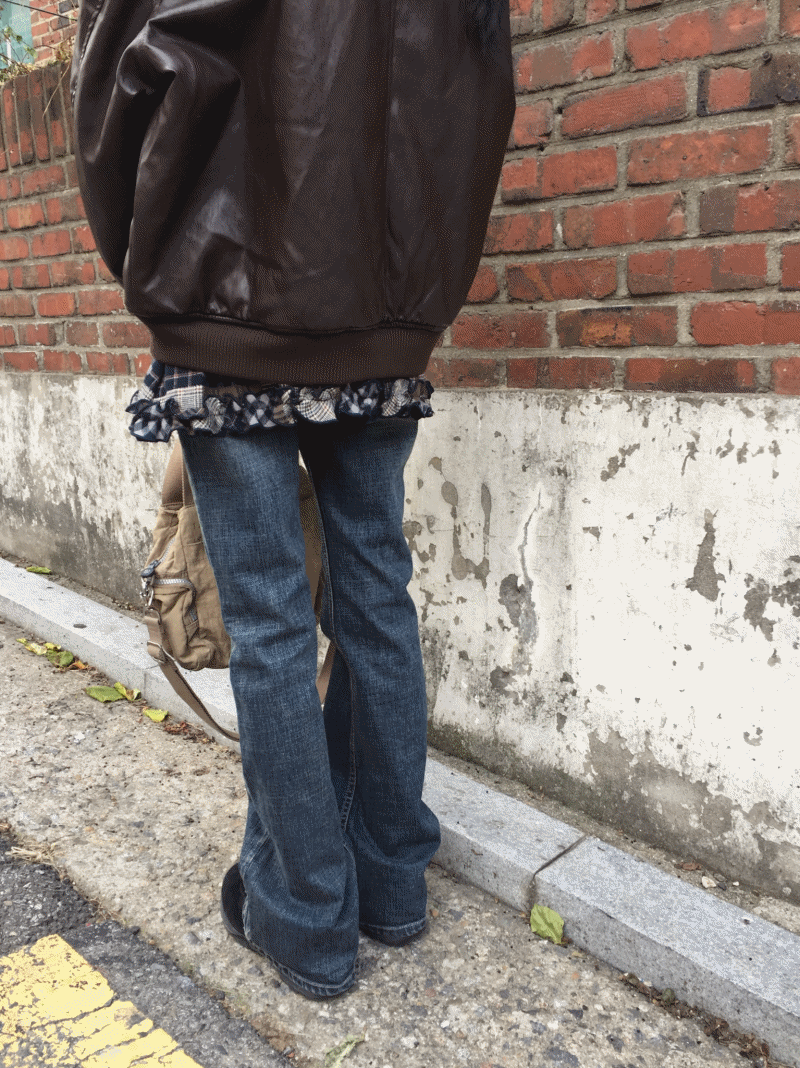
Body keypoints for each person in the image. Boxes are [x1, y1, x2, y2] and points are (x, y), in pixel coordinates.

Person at [71, 0, 516, 1000]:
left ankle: (307, 919)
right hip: (387, 301)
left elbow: (112, 85)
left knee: (270, 623)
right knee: (376, 596)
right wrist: (422, 284)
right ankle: (391, 882)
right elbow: (479, 88)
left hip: (222, 289)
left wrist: (151, 262)